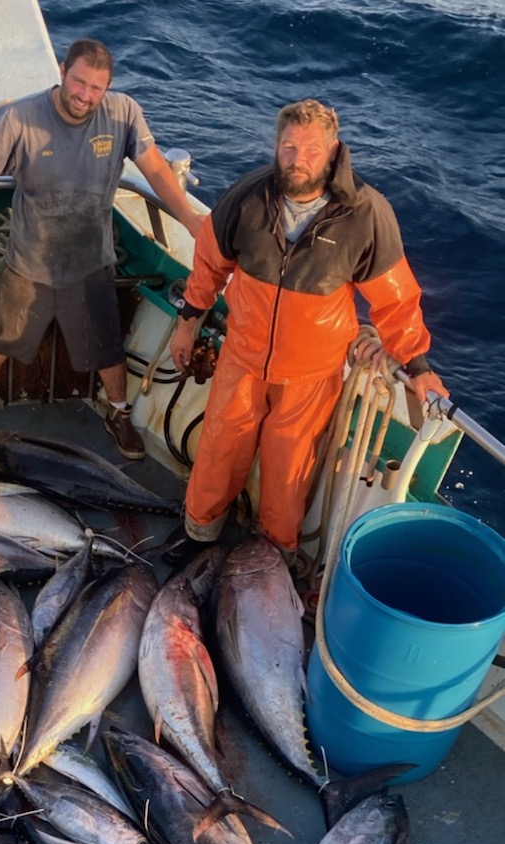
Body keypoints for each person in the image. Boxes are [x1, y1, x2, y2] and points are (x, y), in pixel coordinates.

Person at [0, 38, 204, 460]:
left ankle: (118, 412)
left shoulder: (123, 113)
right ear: (62, 71)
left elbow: (153, 168)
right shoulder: (18, 117)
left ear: (108, 87)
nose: (85, 95)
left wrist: (191, 220)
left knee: (106, 343)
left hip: (91, 258)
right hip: (29, 258)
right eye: (78, 82)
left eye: (97, 88)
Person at [169, 98, 448, 557]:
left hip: (310, 377)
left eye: (311, 150)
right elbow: (208, 267)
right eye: (288, 148)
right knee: (218, 453)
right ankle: (199, 533)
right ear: (276, 146)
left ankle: (274, 557)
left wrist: (418, 368)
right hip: (242, 357)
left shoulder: (364, 214)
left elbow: (396, 302)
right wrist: (186, 324)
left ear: (333, 150)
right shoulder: (247, 197)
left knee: (288, 473)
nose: (297, 161)